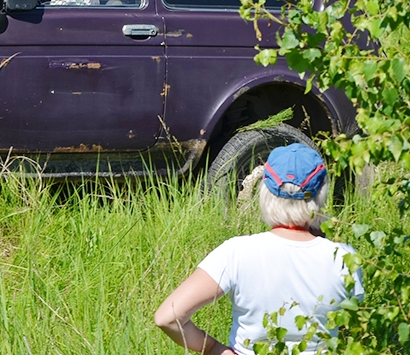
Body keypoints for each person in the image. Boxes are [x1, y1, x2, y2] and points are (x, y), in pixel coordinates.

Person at [155, 144, 364, 355]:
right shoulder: (345, 258)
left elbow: (168, 317)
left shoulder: (236, 252)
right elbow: (348, 326)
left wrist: (213, 348)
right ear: (321, 196)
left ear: (265, 194)